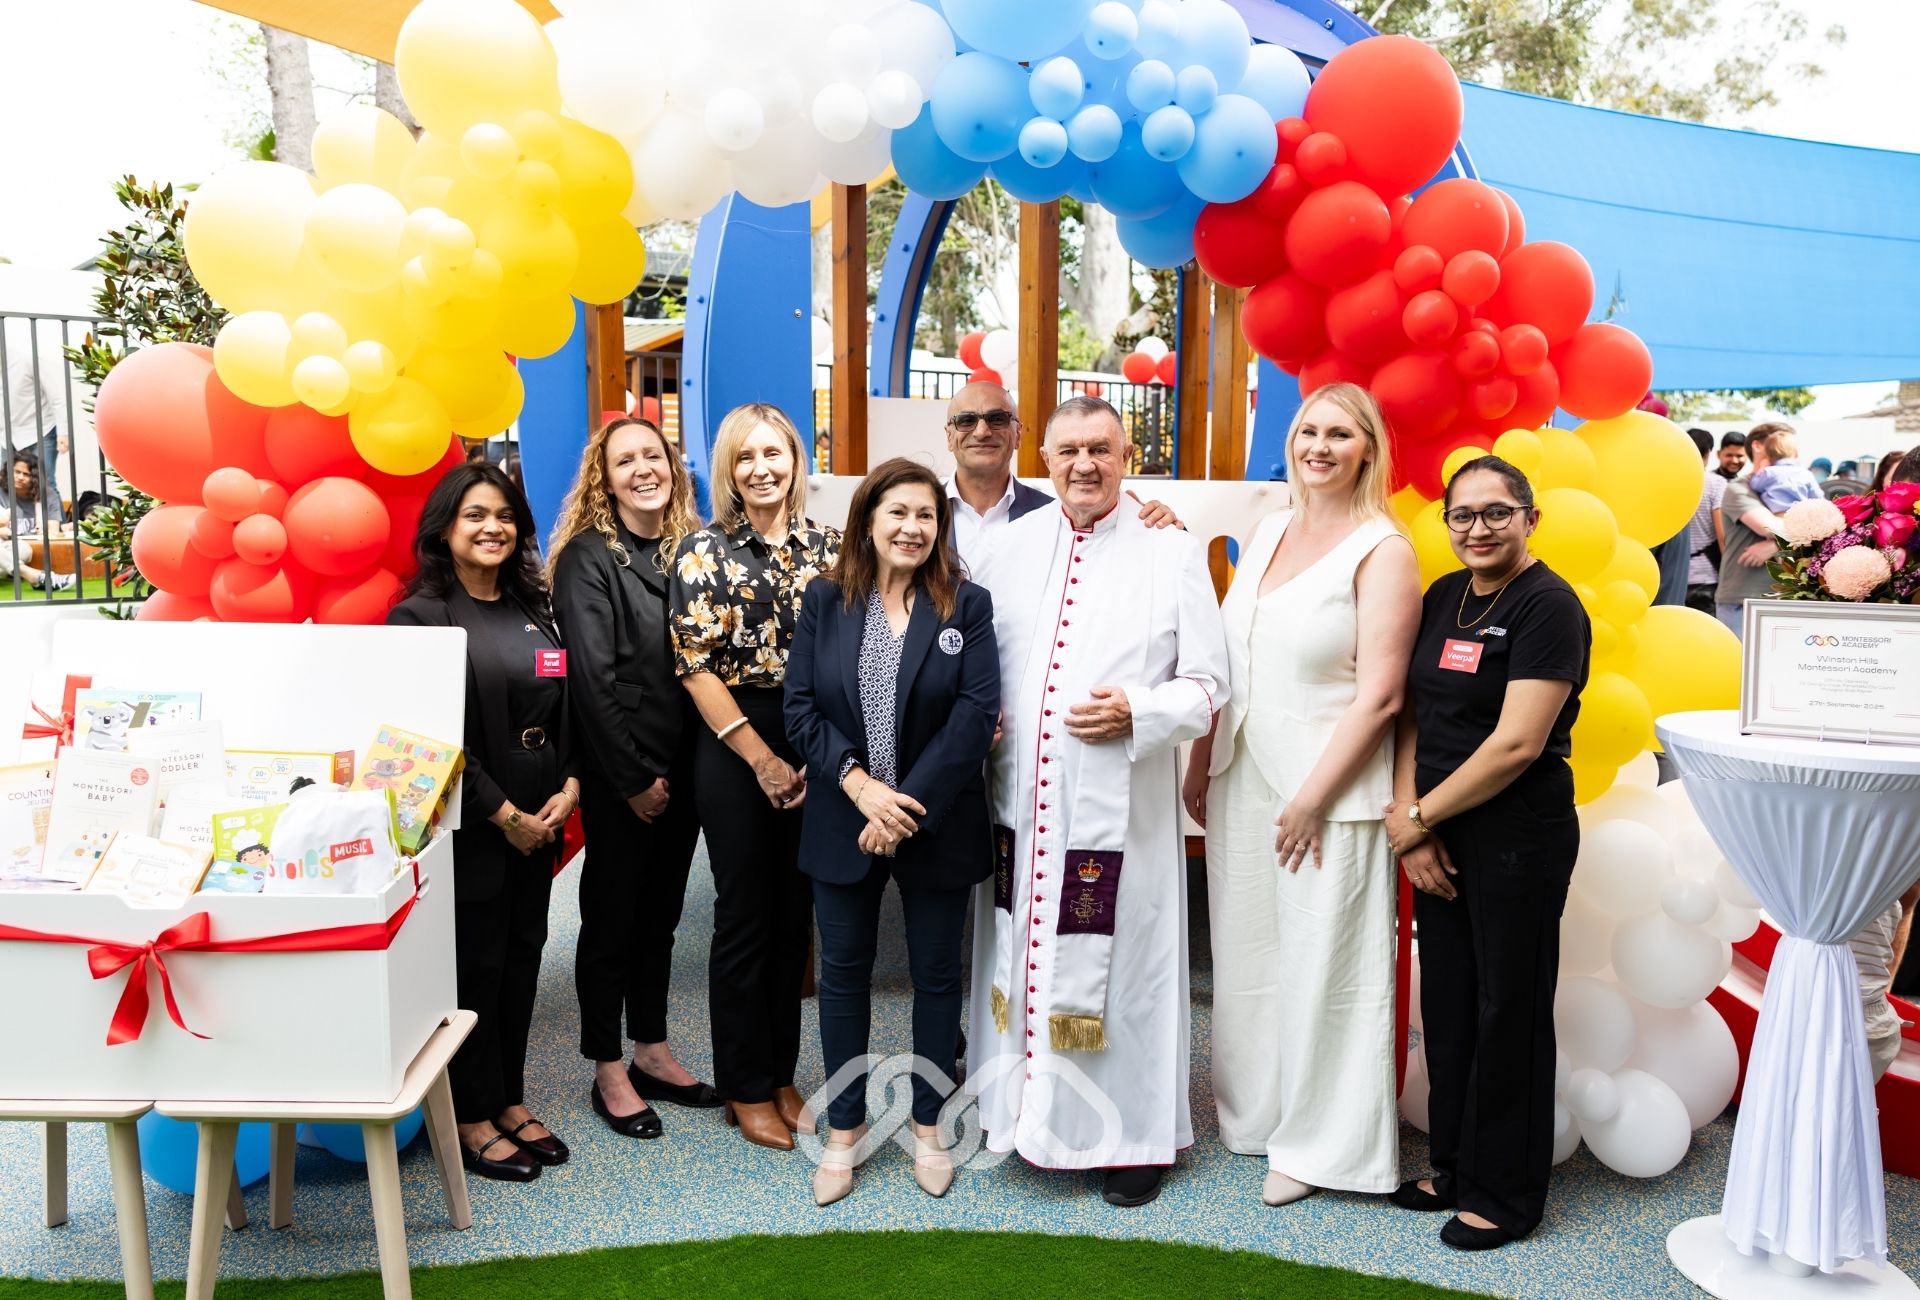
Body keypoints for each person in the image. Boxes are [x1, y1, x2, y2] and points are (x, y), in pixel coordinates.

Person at [965, 395, 1228, 1208]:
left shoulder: (1169, 549)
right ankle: (1017, 1115)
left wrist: (1140, 713)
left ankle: (1133, 1139)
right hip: (1022, 804)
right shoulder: (1005, 548)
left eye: (1102, 450)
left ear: (1127, 457)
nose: (1085, 464)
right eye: (1070, 449)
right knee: (1017, 957)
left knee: (1129, 974)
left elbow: (1212, 683)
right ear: (1043, 457)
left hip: (1122, 813)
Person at [1183, 383, 1420, 1207]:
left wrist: (1315, 796)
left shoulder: (1382, 549)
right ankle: (1256, 1119)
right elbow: (1229, 653)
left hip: (1329, 790)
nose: (1318, 445)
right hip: (1243, 773)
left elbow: (1383, 696)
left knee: (1328, 970)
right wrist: (1201, 757)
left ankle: (1326, 1148)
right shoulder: (1271, 526)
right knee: (1246, 959)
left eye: (1339, 434)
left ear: (1368, 449)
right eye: (1307, 430)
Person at [1383, 455, 1591, 1250]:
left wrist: (1417, 818)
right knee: (1453, 1004)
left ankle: (1506, 1194)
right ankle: (1457, 1163)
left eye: (1496, 513)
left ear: (1530, 519)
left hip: (1516, 837)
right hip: (1438, 827)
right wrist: (1415, 822)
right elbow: (1413, 717)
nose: (1478, 528)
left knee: (1510, 1009)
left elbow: (1515, 744)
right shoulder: (1446, 596)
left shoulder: (1549, 606)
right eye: (1462, 515)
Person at [784, 458, 999, 1205]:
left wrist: (902, 809)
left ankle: (929, 1126)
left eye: (926, 516)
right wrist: (863, 789)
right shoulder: (825, 601)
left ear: (940, 528)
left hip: (934, 822)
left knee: (938, 978)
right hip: (845, 817)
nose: (912, 528)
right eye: (897, 513)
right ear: (868, 521)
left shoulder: (965, 606)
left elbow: (976, 718)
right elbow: (801, 709)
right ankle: (843, 1131)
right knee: (842, 977)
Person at [388, 463, 580, 1182]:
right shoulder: (419, 617)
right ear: (444, 527)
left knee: (524, 956)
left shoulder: (535, 608)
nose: (492, 526)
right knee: (475, 966)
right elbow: (429, 741)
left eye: (503, 514)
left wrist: (570, 784)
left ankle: (508, 1098)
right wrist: (503, 813)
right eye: (475, 514)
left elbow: (566, 705)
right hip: (473, 823)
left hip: (543, 810)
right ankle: (470, 1113)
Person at [670, 402, 840, 1152]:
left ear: (797, 461)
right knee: (744, 916)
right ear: (728, 470)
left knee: (791, 915)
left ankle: (779, 1073)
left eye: (775, 454)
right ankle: (744, 1086)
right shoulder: (700, 552)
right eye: (746, 457)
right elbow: (695, 668)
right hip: (735, 739)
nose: (762, 469)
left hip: (813, 734)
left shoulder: (830, 549)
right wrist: (763, 759)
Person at [548, 417, 717, 1143]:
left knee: (663, 920)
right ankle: (607, 1066)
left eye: (654, 455)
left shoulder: (691, 550)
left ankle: (652, 1049)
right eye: (626, 461)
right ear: (604, 478)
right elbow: (592, 679)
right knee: (612, 923)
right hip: (628, 777)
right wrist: (632, 779)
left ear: (673, 467)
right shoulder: (589, 557)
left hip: (690, 771)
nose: (643, 469)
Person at [942, 380, 1180, 567]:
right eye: (966, 421)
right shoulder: (918, 512)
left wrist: (1148, 520)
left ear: (1018, 434)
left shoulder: (1062, 514)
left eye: (997, 419)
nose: (982, 431)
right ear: (949, 436)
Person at [1713, 434, 1783, 638]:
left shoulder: (1796, 489)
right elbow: (1769, 528)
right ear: (1758, 449)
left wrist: (1775, 547)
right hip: (1741, 597)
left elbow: (1825, 528)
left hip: (1782, 597)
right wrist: (1802, 529)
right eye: (1782, 453)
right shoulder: (1738, 489)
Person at [4, 334, 64, 522]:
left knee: (45, 483)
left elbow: (57, 396)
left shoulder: (26, 359)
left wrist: (64, 431)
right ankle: (14, 532)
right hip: (6, 434)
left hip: (39, 430)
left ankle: (58, 533)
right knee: (4, 483)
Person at [0, 451, 74, 592]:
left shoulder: (47, 494)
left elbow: (52, 529)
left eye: (26, 474)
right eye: (16, 472)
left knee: (24, 550)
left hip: (13, 546)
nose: (20, 477)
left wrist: (48, 530)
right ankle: (36, 577)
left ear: (34, 477)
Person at [1683, 427, 1725, 613]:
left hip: (1670, 574)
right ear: (1708, 453)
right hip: (1706, 576)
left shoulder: (1668, 480)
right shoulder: (1716, 484)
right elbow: (1722, 535)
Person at [1743, 424, 1820, 513]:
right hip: (1801, 515)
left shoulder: (1768, 472)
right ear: (1796, 453)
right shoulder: (1806, 473)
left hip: (1777, 514)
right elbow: (1818, 498)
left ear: (1770, 456)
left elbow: (1755, 485)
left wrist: (1762, 469)